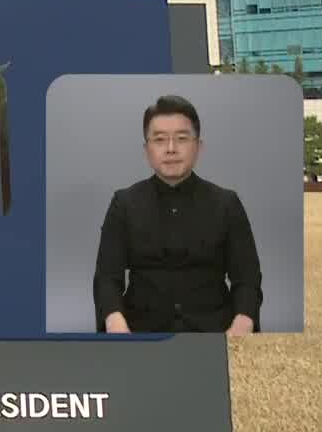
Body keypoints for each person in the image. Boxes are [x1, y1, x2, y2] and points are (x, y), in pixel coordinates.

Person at [92, 95, 262, 335]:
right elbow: (107, 278)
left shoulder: (226, 203)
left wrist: (242, 324)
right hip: (140, 331)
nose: (171, 149)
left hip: (215, 331)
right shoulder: (124, 203)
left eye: (182, 139)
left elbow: (247, 278)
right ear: (146, 149)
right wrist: (115, 322)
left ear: (198, 147)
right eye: (159, 140)